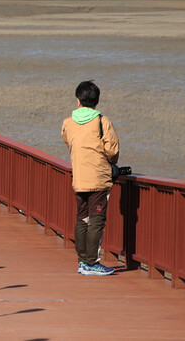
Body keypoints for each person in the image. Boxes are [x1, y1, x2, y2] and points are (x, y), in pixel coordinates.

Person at [61, 80, 120, 276]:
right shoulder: (102, 121)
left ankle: (82, 261)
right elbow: (112, 151)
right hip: (98, 178)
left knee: (82, 218)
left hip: (79, 177)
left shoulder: (68, 122)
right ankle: (92, 263)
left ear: (78, 101)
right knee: (97, 220)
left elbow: (69, 143)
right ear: (96, 101)